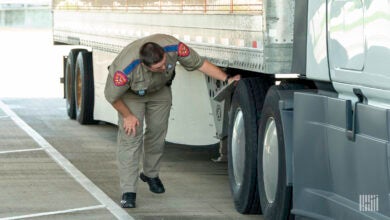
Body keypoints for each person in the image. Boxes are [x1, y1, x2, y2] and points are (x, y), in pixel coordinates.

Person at [104, 34, 240, 208]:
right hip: (131, 97)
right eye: (158, 67)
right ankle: (128, 191)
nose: (163, 67)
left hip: (160, 91)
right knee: (131, 139)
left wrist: (227, 79)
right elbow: (111, 96)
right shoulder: (125, 69)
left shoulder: (173, 48)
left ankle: (150, 174)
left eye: (163, 63)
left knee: (157, 133)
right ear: (144, 65)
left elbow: (200, 64)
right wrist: (127, 116)